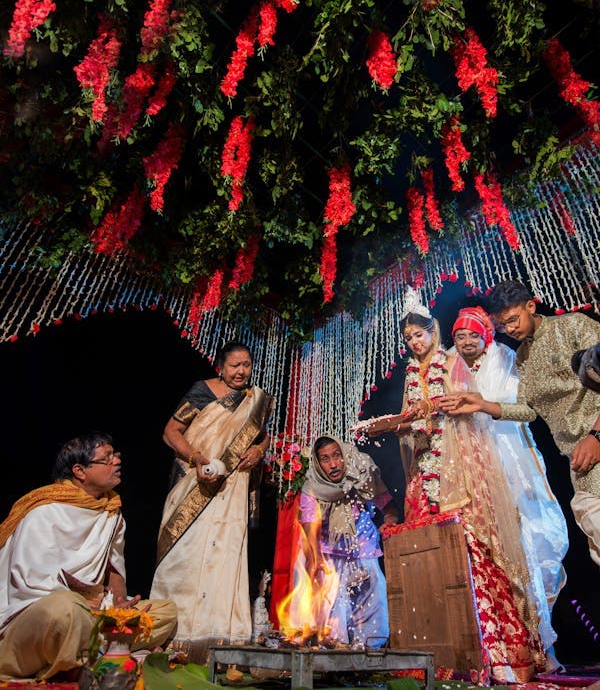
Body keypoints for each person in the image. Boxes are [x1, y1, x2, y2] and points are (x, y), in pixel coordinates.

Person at [369, 287, 545, 683]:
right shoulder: (410, 374)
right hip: (424, 470)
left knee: (468, 554)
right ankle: (436, 651)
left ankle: (491, 655)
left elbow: (472, 408)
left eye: (420, 334)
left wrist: (441, 412)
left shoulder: (452, 363)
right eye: (408, 338)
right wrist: (398, 424)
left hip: (458, 470)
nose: (415, 342)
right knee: (427, 556)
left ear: (434, 331)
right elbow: (410, 419)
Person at [440, 280, 600, 568]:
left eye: (513, 319)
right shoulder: (523, 356)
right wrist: (482, 404)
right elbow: (529, 410)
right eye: (503, 325)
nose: (510, 329)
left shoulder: (573, 326)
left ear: (531, 306)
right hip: (578, 456)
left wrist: (596, 434)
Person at [0, 432, 177, 681]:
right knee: (66, 610)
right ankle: (99, 652)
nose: (116, 462)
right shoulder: (43, 512)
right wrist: (90, 609)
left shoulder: (110, 512)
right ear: (80, 471)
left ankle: (93, 651)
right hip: (34, 619)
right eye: (106, 459)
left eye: (115, 455)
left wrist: (118, 609)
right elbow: (31, 586)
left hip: (91, 616)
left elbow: (114, 572)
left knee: (165, 611)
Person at [449, 305, 569, 671]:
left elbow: (524, 406)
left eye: (473, 334)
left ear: (486, 334)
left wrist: (483, 407)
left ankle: (541, 646)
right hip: (472, 469)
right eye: (459, 335)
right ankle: (498, 650)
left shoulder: (506, 357)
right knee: (486, 555)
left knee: (533, 543)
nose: (466, 342)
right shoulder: (449, 364)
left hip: (513, 460)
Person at [150, 340, 273, 663]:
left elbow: (262, 436)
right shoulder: (202, 391)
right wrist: (196, 457)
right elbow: (170, 431)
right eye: (235, 365)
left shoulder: (255, 400)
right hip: (195, 484)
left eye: (246, 365)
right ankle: (174, 638)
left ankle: (221, 641)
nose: (241, 371)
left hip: (233, 489)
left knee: (225, 556)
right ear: (220, 366)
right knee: (186, 557)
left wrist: (259, 451)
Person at [292, 435, 398, 648]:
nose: (333, 465)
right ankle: (335, 653)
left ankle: (368, 652)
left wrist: (390, 521)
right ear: (317, 463)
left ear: (344, 455)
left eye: (336, 456)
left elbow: (388, 506)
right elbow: (310, 528)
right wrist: (315, 559)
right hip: (328, 553)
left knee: (372, 605)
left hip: (363, 548)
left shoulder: (360, 476)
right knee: (334, 610)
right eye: (325, 459)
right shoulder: (312, 487)